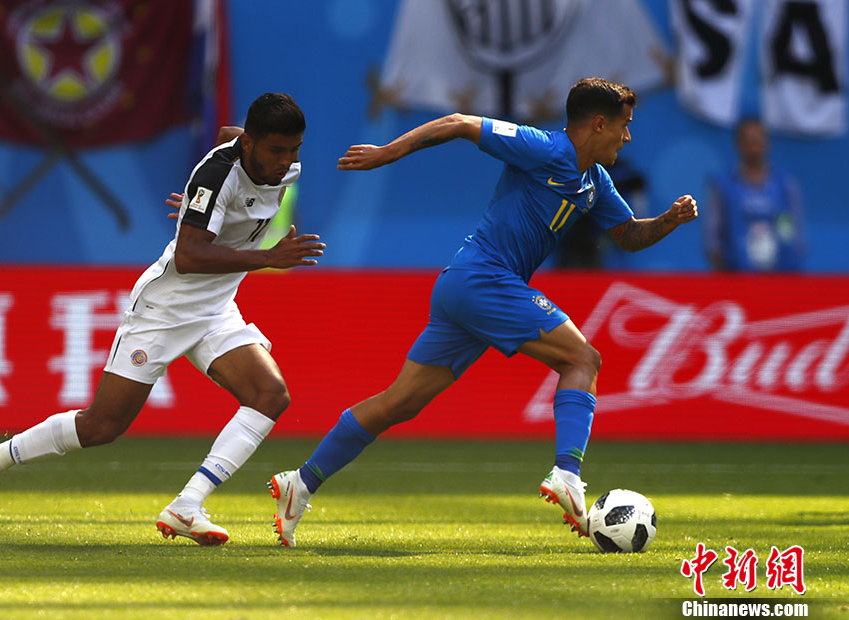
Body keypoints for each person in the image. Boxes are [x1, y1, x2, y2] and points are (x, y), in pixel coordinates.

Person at [267, 78, 698, 547]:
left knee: (400, 402)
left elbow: (628, 236)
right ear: (598, 124)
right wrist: (387, 152)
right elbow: (458, 123)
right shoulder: (545, 148)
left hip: (467, 287)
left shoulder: (594, 181)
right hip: (483, 279)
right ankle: (567, 475)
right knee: (582, 360)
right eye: (623, 125)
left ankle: (300, 483)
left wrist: (668, 220)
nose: (627, 137)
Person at [0, 92, 326, 546]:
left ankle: (187, 505)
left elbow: (226, 135)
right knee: (101, 426)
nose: (286, 161)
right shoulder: (218, 175)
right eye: (277, 150)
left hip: (215, 309)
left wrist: (198, 207)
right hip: (165, 309)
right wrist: (260, 251)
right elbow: (188, 257)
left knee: (270, 394)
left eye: (294, 150)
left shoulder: (265, 163)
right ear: (250, 144)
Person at [705, 118, 805, 272]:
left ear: (767, 143)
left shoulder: (785, 184)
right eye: (749, 141)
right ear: (738, 144)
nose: (754, 146)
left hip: (780, 276)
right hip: (735, 276)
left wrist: (788, 268)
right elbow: (713, 239)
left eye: (759, 140)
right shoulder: (723, 185)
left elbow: (794, 234)